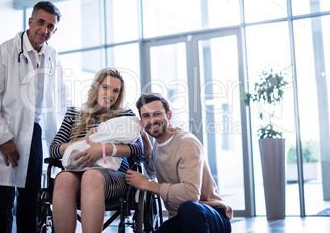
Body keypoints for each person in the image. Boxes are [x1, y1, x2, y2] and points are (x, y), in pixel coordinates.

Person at [0, 1, 67, 233]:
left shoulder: (52, 56)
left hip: (33, 133)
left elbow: (59, 99)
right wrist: (3, 140)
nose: (44, 30)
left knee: (31, 201)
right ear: (30, 21)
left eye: (50, 26)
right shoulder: (5, 51)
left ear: (54, 30)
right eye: (40, 22)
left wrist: (61, 139)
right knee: (2, 203)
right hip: (4, 131)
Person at [49, 68, 143, 233]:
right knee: (62, 179)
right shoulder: (73, 114)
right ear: (96, 88)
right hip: (76, 171)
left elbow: (138, 149)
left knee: (91, 176)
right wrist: (86, 142)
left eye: (116, 90)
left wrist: (103, 149)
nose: (110, 94)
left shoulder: (125, 115)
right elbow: (55, 150)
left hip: (113, 176)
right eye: (106, 87)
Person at [126, 93, 233, 233]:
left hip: (209, 214)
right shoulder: (158, 145)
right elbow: (151, 170)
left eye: (157, 114)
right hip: (179, 219)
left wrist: (146, 184)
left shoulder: (187, 143)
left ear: (169, 115)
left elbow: (191, 194)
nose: (152, 120)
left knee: (189, 208)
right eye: (146, 116)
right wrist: (146, 142)